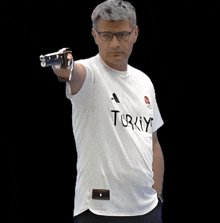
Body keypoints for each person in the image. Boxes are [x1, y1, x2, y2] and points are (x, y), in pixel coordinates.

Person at [52, 0, 164, 222]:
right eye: (106, 35)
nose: (115, 43)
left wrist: (157, 195)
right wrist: (63, 67)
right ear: (95, 35)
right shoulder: (90, 74)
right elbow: (72, 73)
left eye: (122, 34)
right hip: (99, 210)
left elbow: (153, 144)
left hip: (147, 210)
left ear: (135, 33)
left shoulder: (144, 82)